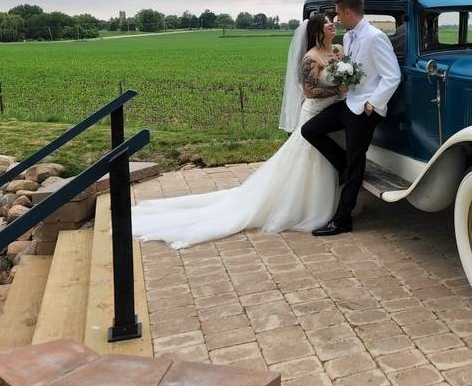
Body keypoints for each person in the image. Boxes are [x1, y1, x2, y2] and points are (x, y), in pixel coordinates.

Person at [130, 13, 345, 249]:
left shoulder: (336, 51)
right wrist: (338, 90)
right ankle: (305, 207)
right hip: (314, 113)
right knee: (308, 161)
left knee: (325, 158)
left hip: (331, 114)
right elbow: (309, 91)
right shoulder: (311, 57)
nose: (331, 24)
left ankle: (330, 203)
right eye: (326, 22)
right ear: (316, 29)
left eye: (331, 21)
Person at [302, 0, 402, 236]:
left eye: (337, 14)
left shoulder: (375, 37)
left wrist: (372, 104)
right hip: (349, 102)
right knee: (310, 130)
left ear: (348, 12)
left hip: (366, 109)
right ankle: (343, 166)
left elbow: (393, 76)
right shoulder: (348, 38)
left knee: (356, 161)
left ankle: (342, 220)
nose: (335, 19)